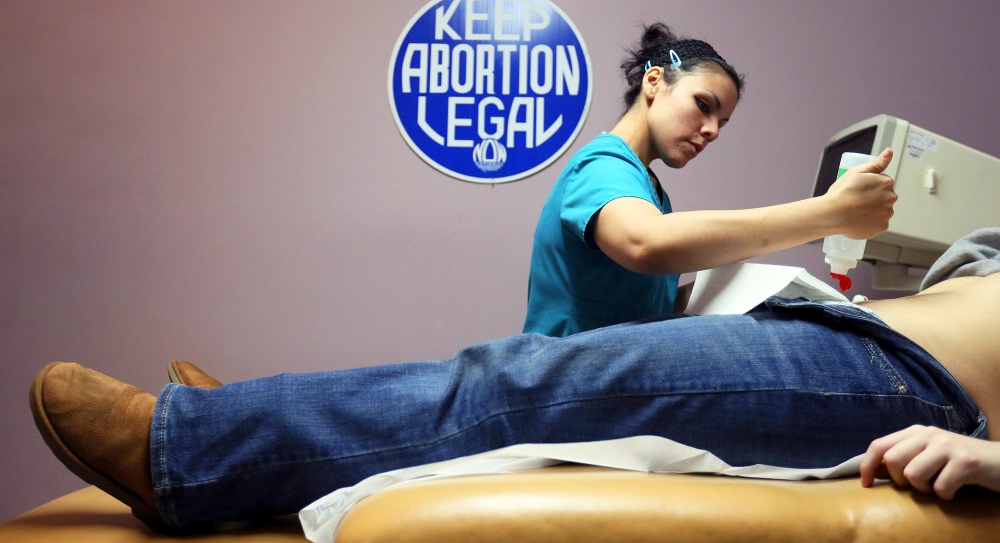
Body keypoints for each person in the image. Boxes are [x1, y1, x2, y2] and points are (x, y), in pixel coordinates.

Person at [30, 263, 999, 531]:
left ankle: (193, 451)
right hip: (861, 333)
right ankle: (250, 437)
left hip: (912, 385)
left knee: (525, 385)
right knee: (517, 380)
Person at [524, 23, 897, 336]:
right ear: (654, 81)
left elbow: (634, 304)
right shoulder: (601, 165)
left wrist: (753, 290)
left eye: (721, 123)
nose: (711, 131)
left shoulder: (648, 191)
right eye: (704, 106)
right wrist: (829, 213)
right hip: (564, 389)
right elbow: (647, 243)